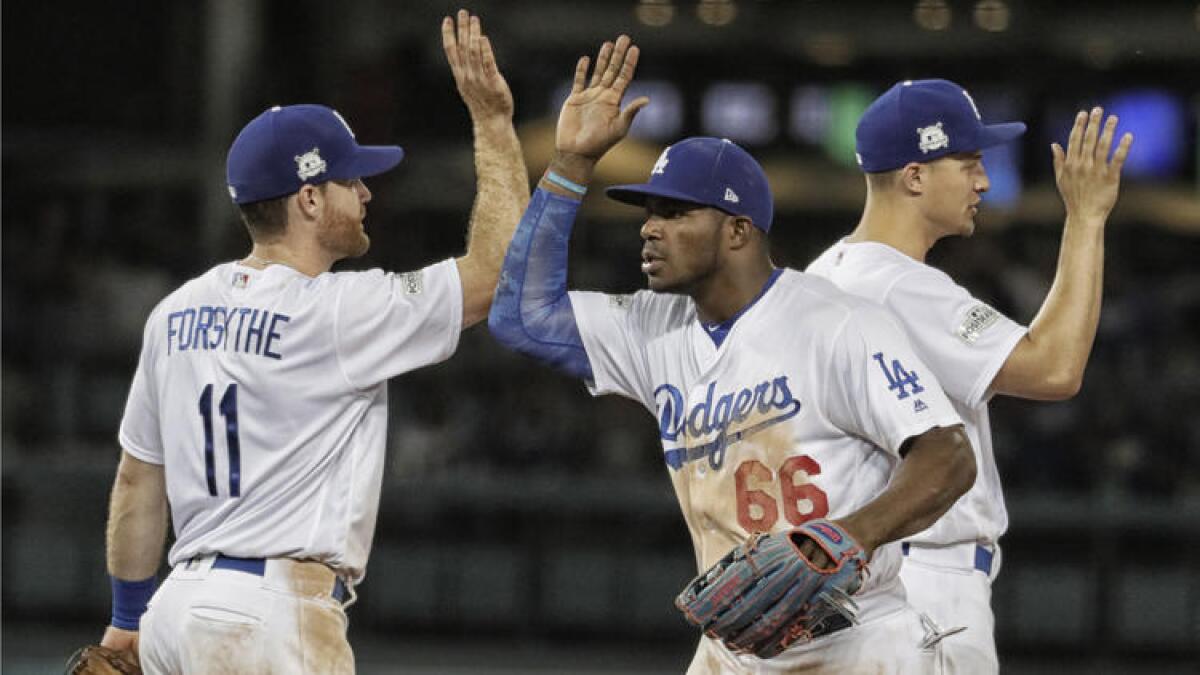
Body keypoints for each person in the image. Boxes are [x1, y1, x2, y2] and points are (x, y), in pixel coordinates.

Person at [489, 37, 979, 673]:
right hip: (735, 646)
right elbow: (521, 316)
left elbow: (949, 455)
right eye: (649, 212)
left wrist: (849, 536)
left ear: (738, 229)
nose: (649, 227)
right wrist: (571, 163)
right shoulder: (652, 328)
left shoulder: (838, 322)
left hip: (857, 641)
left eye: (674, 213)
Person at [94, 11, 528, 673]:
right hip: (273, 615)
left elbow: (135, 478)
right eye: (349, 180)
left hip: (177, 610)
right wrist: (494, 124)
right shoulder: (335, 312)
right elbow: (497, 274)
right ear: (307, 199)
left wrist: (128, 622)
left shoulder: (175, 314)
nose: (364, 192)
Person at [806, 79, 1133, 673]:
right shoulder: (897, 284)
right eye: (969, 162)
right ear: (915, 176)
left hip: (860, 583)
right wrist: (1086, 219)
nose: (983, 182)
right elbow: (1056, 368)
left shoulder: (823, 272)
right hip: (926, 583)